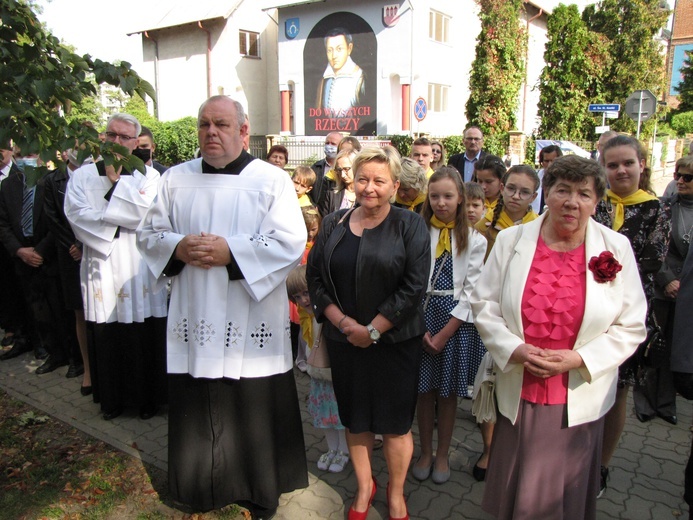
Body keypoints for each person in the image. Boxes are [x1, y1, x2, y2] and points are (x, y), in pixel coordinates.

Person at [136, 95, 308, 518]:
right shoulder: (175, 179)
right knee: (197, 399)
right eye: (204, 124)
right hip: (195, 311)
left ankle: (257, 488)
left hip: (250, 316)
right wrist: (178, 245)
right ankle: (199, 487)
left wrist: (232, 252)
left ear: (243, 131)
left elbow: (289, 241)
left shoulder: (271, 180)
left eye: (222, 124)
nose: (211, 132)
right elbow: (148, 234)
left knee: (251, 403)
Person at [470, 155, 648, 520]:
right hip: (519, 388)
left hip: (579, 397)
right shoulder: (510, 240)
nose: (572, 202)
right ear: (546, 194)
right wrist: (514, 348)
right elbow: (483, 303)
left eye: (584, 193)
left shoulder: (616, 249)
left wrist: (580, 359)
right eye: (562, 190)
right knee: (517, 492)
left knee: (561, 501)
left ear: (597, 201)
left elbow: (632, 325)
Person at [307, 146, 430, 520]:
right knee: (356, 419)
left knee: (394, 425)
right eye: (363, 179)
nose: (369, 187)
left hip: (395, 343)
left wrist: (373, 330)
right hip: (345, 342)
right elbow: (315, 280)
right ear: (352, 181)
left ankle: (395, 493)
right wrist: (345, 325)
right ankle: (364, 488)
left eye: (379, 180)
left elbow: (413, 287)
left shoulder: (410, 225)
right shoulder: (334, 223)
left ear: (395, 185)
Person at [64, 113, 168, 421]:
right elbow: (76, 216)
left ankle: (148, 400)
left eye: (124, 137)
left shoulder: (148, 176)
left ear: (136, 143)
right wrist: (119, 215)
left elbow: (149, 216)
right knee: (108, 333)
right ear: (102, 138)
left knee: (144, 332)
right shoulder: (82, 176)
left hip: (138, 266)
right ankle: (112, 401)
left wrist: (114, 183)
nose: (117, 141)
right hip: (103, 262)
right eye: (112, 135)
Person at [593, 134, 670, 497]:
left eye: (627, 163)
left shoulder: (659, 210)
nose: (621, 170)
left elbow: (649, 262)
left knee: (616, 392)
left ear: (642, 163)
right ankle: (576, 458)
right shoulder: (594, 202)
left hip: (628, 313)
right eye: (612, 165)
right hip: (587, 309)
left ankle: (602, 465)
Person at [412, 167, 486, 485]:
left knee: (448, 393)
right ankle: (425, 451)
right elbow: (410, 280)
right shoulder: (417, 230)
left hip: (455, 322)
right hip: (420, 318)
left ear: (460, 199)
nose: (441, 203)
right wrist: (417, 325)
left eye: (448, 196)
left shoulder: (475, 240)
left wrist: (444, 333)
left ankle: (443, 453)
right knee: (423, 390)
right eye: (435, 196)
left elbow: (472, 291)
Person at [0, 151, 72, 371]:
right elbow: (2, 224)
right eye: (22, 155)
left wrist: (40, 251)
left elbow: (57, 220)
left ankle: (71, 355)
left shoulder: (50, 181)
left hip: (48, 257)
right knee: (36, 310)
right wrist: (20, 251)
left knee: (59, 309)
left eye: (30, 154)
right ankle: (51, 352)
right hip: (22, 256)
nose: (25, 159)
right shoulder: (8, 186)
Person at [636, 156, 693, 424]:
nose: (680, 181)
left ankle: (666, 404)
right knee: (652, 346)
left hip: (689, 292)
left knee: (675, 348)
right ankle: (645, 402)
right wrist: (667, 279)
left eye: (688, 178)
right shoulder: (664, 208)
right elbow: (653, 248)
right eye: (678, 175)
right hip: (662, 286)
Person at [287, 265, 349, 473]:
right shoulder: (305, 317)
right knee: (325, 416)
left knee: (339, 416)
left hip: (335, 374)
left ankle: (344, 451)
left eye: (306, 293)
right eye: (297, 297)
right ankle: (332, 449)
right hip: (317, 375)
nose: (303, 300)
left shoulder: (327, 316)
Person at [43, 148, 94, 393]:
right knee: (80, 313)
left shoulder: (98, 175)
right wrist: (74, 246)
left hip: (95, 251)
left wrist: (86, 245)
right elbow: (54, 218)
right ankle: (88, 370)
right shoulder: (52, 181)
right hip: (69, 255)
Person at [475, 165, 540, 260]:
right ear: (502, 188)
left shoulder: (538, 227)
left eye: (524, 192)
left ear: (533, 197)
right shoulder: (483, 227)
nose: (516, 196)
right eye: (511, 189)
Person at [316, 27, 365, 114]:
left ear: (349, 49)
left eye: (339, 49)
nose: (334, 56)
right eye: (330, 50)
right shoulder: (323, 80)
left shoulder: (360, 78)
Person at [319, 149, 357, 217]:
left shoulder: (366, 193)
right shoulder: (332, 193)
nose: (342, 175)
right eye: (339, 170)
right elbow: (325, 221)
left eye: (346, 169)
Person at [310, 131, 342, 207]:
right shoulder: (316, 167)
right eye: (327, 143)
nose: (329, 146)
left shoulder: (344, 169)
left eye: (333, 144)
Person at [533, 144, 563, 214]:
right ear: (541, 162)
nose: (549, 165)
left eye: (553, 161)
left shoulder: (567, 179)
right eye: (546, 161)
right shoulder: (534, 177)